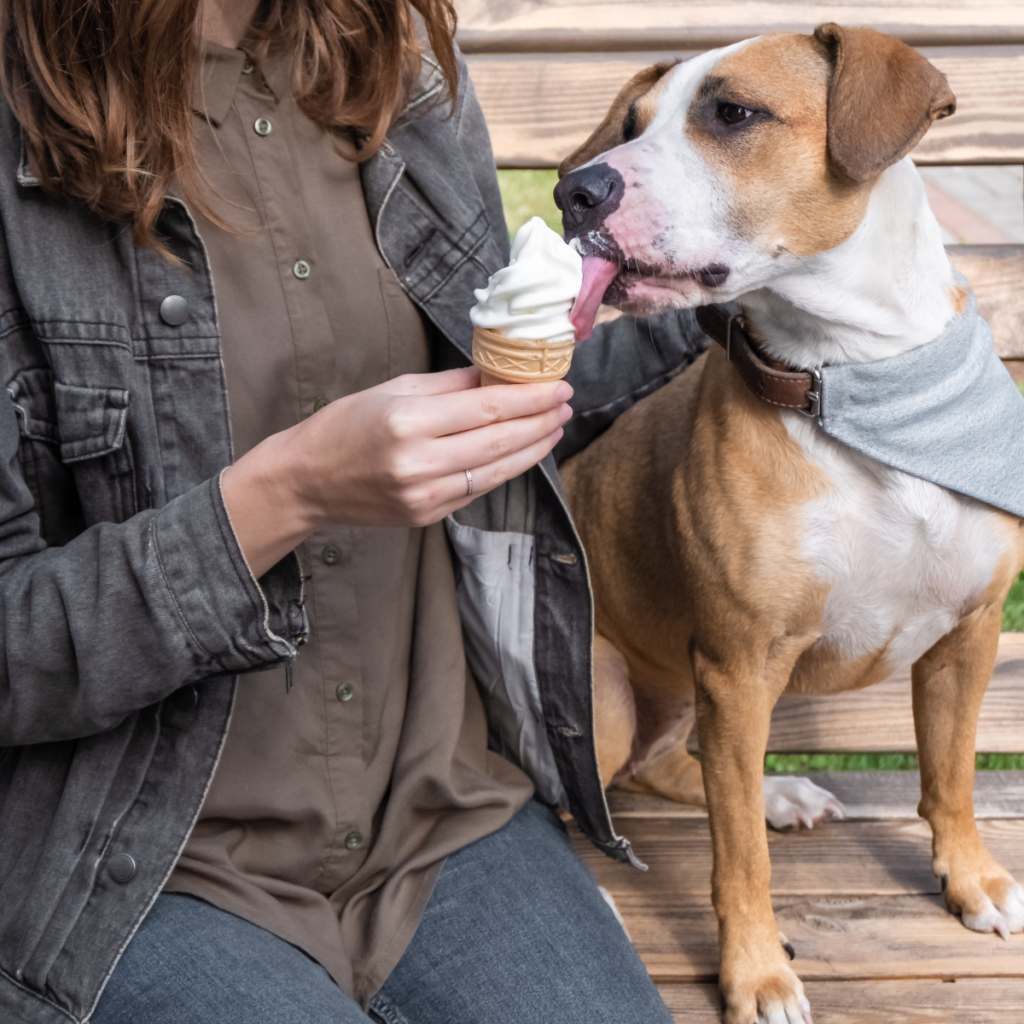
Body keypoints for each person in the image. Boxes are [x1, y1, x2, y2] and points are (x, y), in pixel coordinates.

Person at [0, 1, 706, 1021]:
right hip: (138, 861)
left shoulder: (391, 63)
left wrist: (737, 301)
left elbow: (500, 396)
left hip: (440, 809)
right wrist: (282, 497)